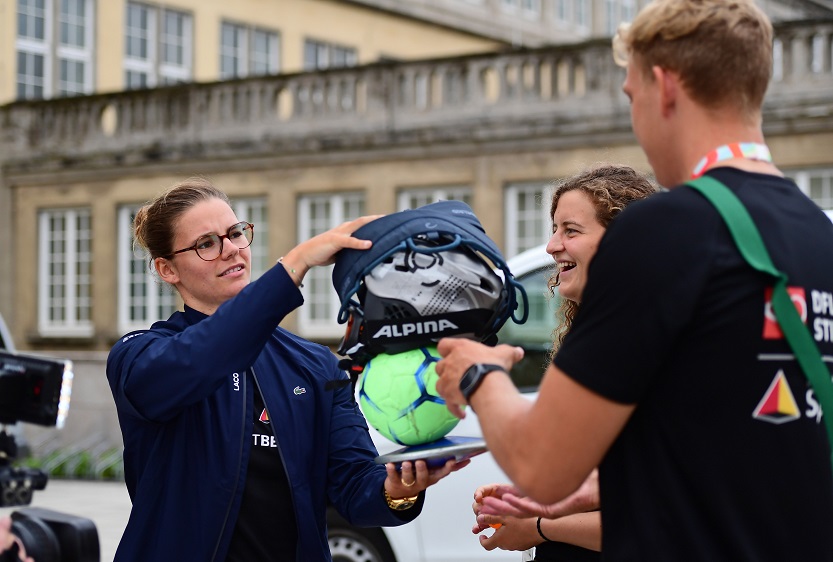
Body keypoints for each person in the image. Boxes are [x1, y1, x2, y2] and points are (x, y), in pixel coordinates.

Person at [434, 0, 833, 559]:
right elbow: (728, 452)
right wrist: (591, 493)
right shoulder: (816, 232)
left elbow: (539, 462)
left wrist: (479, 373)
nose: (634, 117)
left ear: (664, 87)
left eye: (631, 94)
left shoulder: (669, 228)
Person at [106, 177, 467, 562]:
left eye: (235, 233)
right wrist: (296, 263)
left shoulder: (316, 365)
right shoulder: (139, 355)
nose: (231, 250)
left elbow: (354, 485)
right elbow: (203, 357)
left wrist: (398, 491)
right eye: (206, 244)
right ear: (167, 269)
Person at [471, 166, 656, 561]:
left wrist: (538, 527)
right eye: (554, 229)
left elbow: (656, 514)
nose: (552, 246)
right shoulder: (596, 338)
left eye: (571, 231)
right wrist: (530, 499)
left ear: (622, 242)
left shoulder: (646, 347)